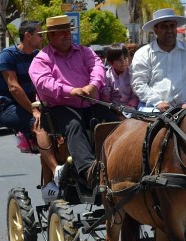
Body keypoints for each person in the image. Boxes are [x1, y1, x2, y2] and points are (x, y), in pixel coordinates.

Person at [29, 15, 120, 189]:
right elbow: (44, 83)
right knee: (74, 126)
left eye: (68, 31)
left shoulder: (85, 51)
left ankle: (119, 162)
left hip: (90, 102)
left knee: (111, 121)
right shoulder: (41, 60)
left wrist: (93, 85)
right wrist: (70, 91)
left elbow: (97, 67)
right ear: (51, 37)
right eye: (61, 32)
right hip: (60, 107)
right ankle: (88, 171)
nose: (67, 35)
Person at [0, 20, 60, 200]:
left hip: (33, 105)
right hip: (6, 106)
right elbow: (13, 87)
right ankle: (57, 171)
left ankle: (48, 188)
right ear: (28, 36)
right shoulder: (8, 56)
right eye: (39, 34)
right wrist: (34, 111)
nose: (42, 37)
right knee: (39, 126)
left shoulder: (38, 55)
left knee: (55, 132)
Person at [130, 8, 186, 112]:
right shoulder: (143, 54)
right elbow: (138, 83)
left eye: (172, 26)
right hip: (152, 109)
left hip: (185, 110)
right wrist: (158, 102)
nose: (169, 30)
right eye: (164, 26)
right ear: (156, 29)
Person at [100, 43, 139, 114]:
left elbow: (136, 95)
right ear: (110, 62)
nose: (123, 62)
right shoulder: (107, 77)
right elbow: (106, 99)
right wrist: (115, 109)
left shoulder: (132, 73)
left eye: (125, 58)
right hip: (113, 109)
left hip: (131, 108)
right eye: (119, 59)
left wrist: (130, 105)